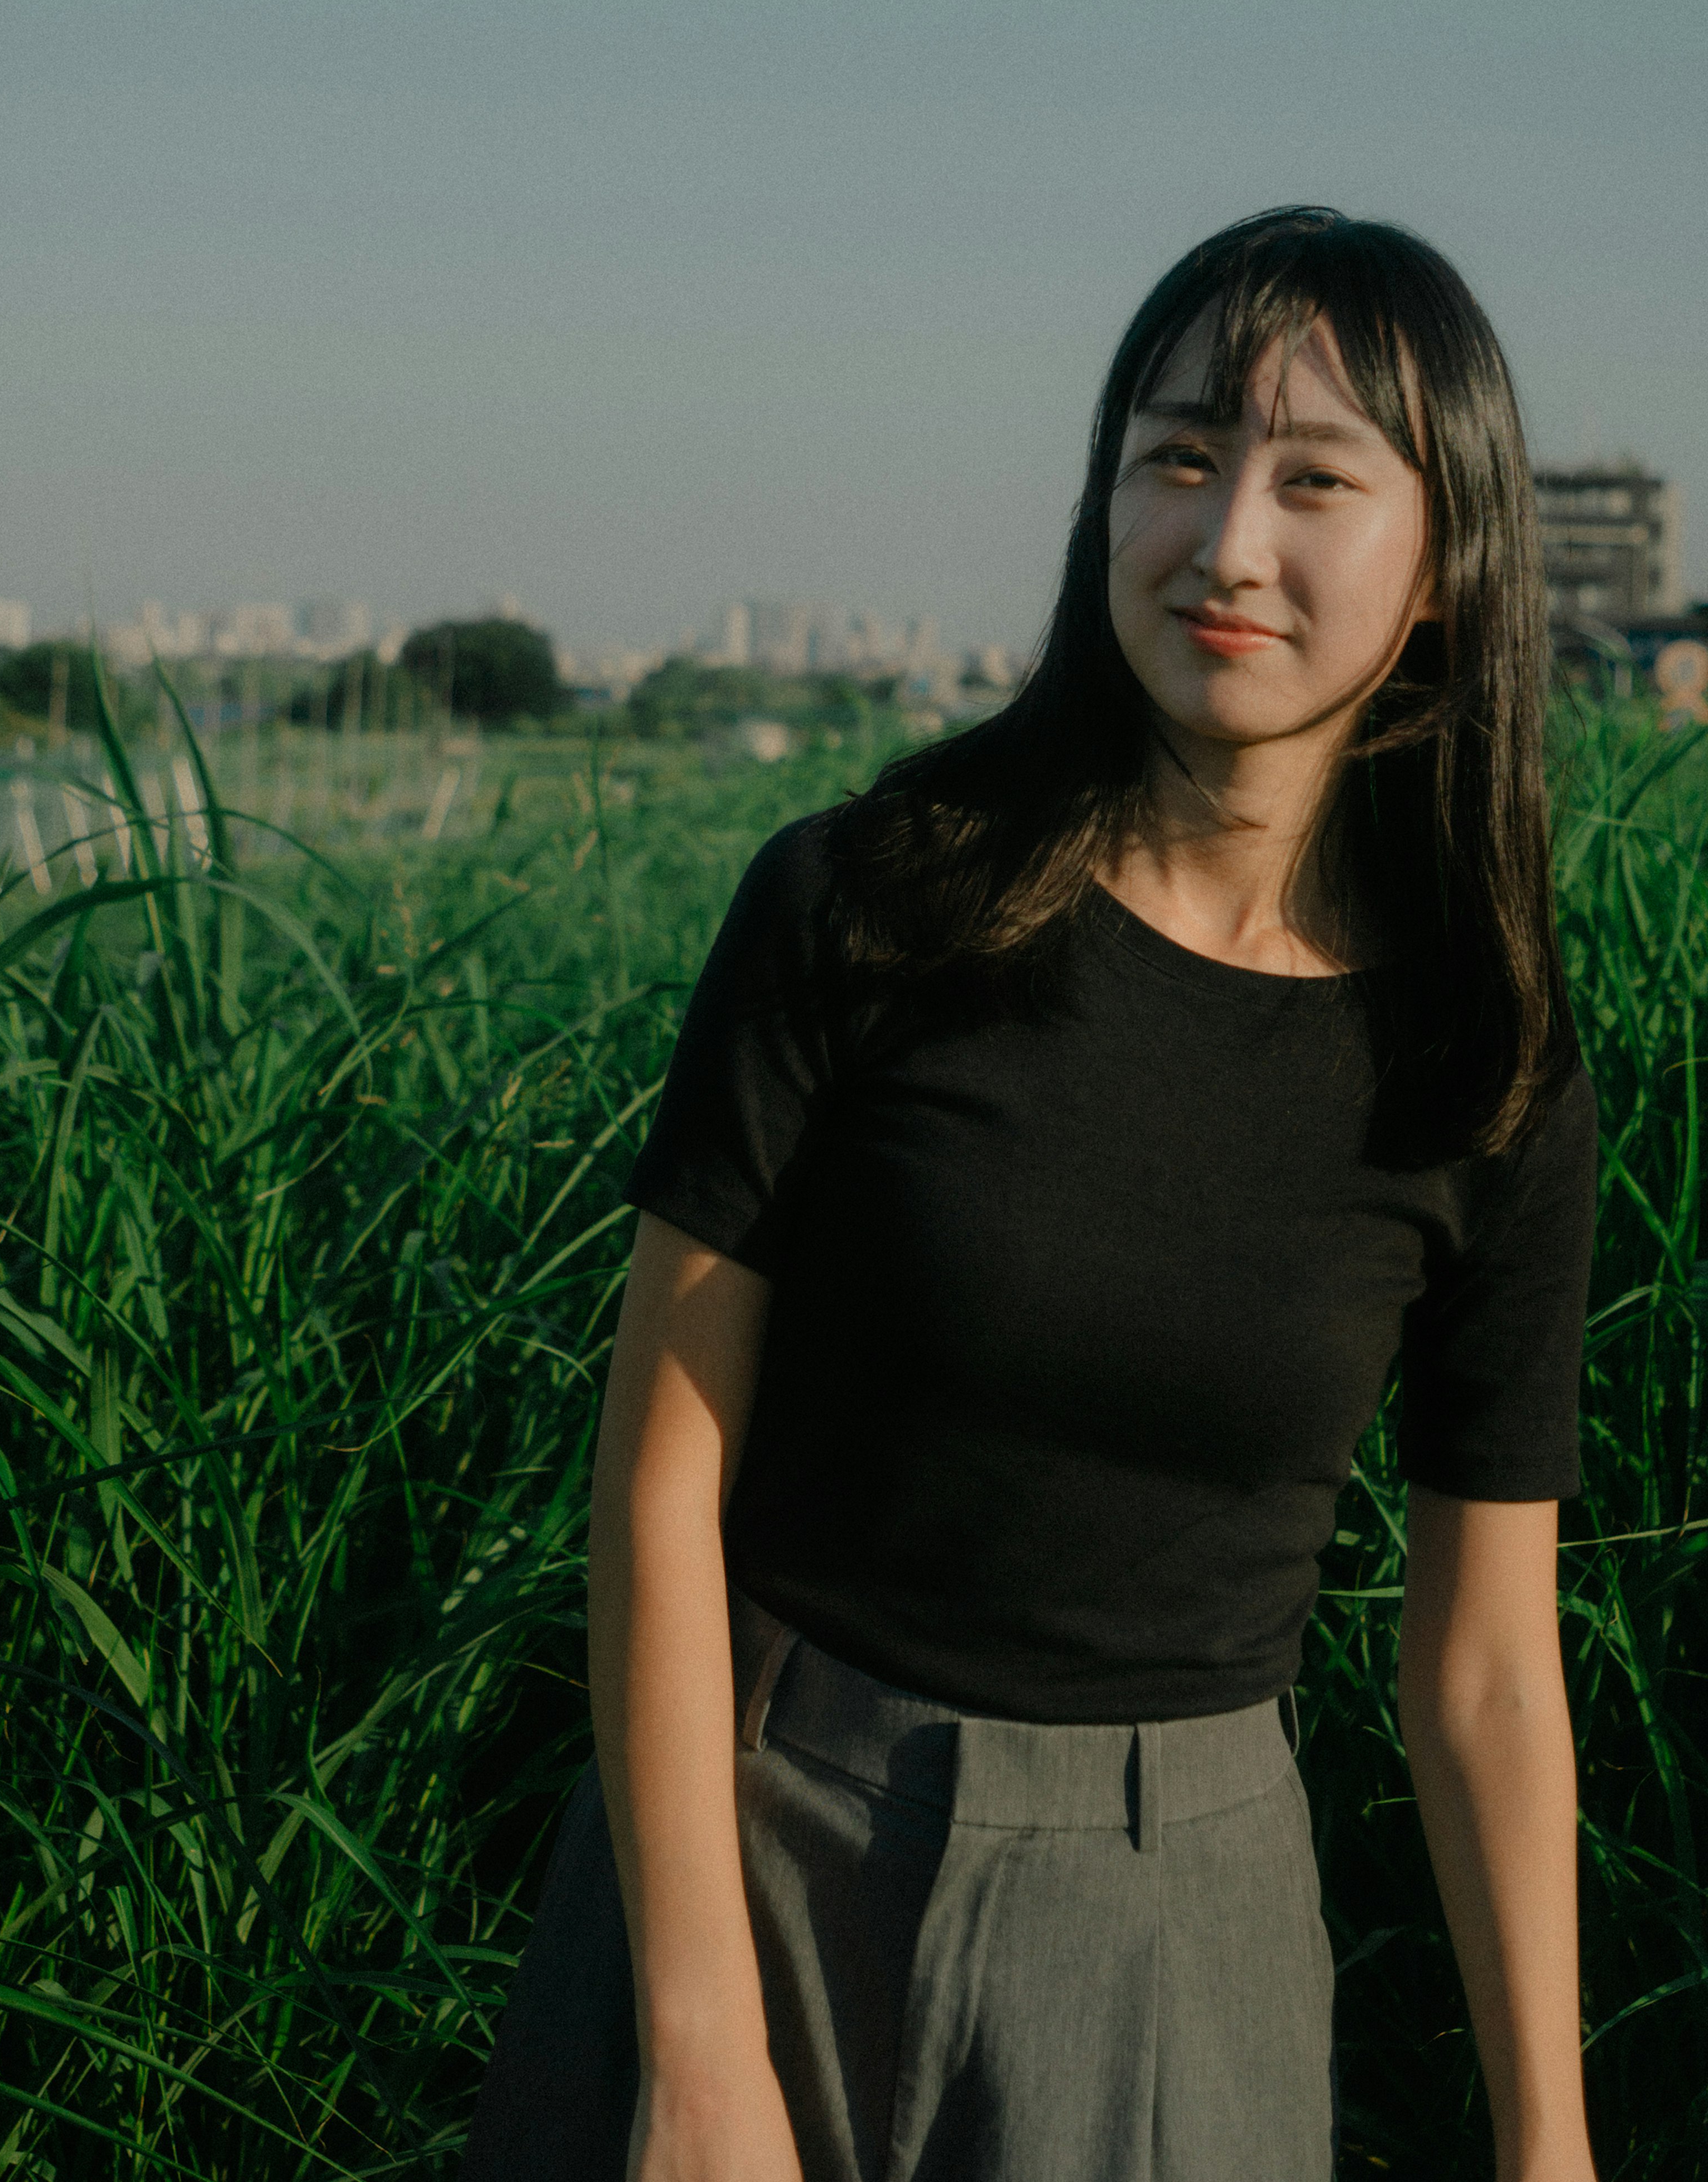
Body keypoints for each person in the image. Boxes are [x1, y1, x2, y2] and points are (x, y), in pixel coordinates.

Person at [465, 206, 1601, 2182]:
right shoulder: (870, 902)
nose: (1227, 540)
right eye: (1176, 458)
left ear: (1445, 571)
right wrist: (700, 2052)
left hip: (1177, 1937)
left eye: (1316, 480)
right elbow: (660, 1482)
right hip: (761, 1842)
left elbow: (1488, 1665)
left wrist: (1550, 2140)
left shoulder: (1480, 1063)